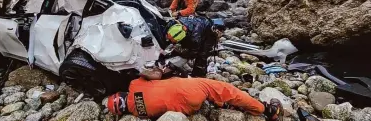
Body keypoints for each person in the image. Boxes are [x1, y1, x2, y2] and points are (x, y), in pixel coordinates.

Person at [106, 77, 284, 121]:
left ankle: (223, 105)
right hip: (190, 90)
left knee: (211, 97)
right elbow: (155, 73)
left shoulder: (139, 114)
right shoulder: (134, 84)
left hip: (189, 109)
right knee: (225, 89)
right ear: (121, 94)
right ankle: (266, 110)